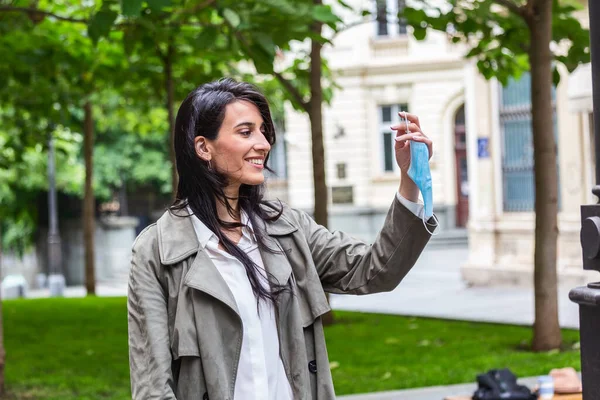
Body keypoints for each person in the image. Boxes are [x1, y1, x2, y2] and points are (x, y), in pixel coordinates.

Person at [127, 78, 436, 400]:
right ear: (204, 147)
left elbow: (375, 270)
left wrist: (410, 179)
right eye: (246, 132)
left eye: (263, 131)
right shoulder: (157, 250)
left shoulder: (285, 226)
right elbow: (152, 385)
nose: (263, 143)